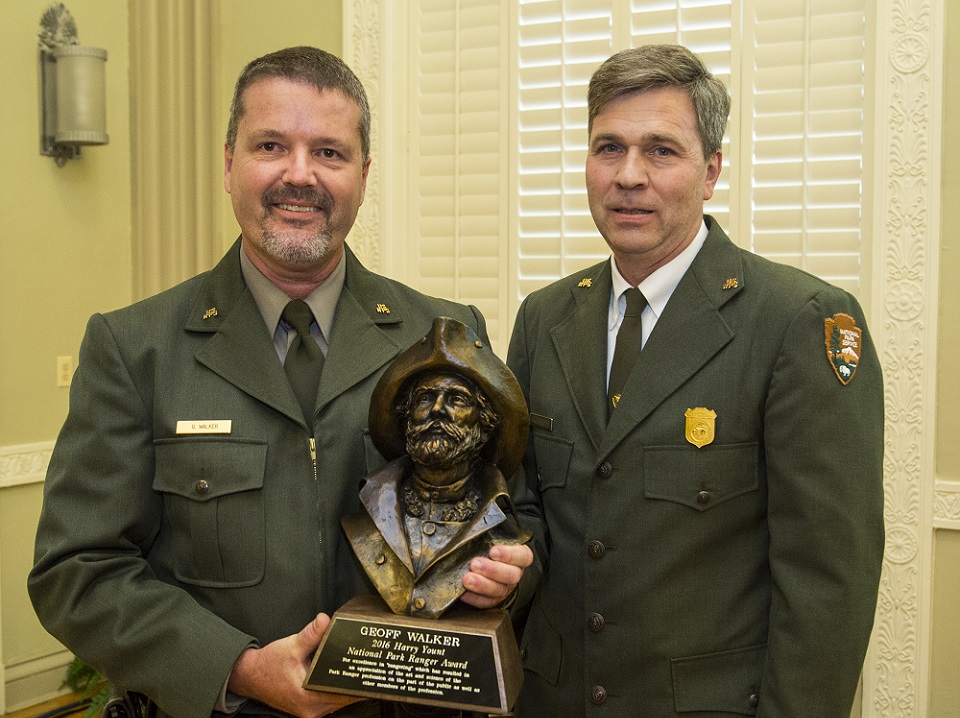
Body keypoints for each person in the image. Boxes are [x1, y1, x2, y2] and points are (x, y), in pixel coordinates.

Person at [29, 46, 531, 718]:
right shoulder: (135, 348)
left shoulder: (441, 339)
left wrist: (499, 579)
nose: (301, 175)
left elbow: (510, 518)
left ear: (363, 174)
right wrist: (235, 667)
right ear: (228, 162)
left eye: (329, 152)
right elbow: (77, 572)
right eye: (271, 145)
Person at [506, 44, 884, 716]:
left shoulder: (796, 322)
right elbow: (529, 510)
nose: (629, 176)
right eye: (608, 148)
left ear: (711, 171)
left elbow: (829, 582)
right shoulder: (544, 319)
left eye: (661, 151)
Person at [344, 316, 532, 619]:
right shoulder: (368, 515)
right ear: (407, 420)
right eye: (425, 398)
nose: (437, 411)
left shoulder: (501, 524)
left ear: (484, 425)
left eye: (456, 399)